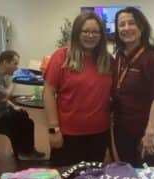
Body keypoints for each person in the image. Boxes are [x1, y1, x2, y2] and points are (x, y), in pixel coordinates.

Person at [43, 11, 113, 167]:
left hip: (99, 135)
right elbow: (48, 92)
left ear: (102, 35)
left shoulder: (108, 60)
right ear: (77, 33)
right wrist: (53, 129)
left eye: (95, 32)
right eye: (85, 31)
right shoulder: (61, 57)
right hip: (67, 135)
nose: (90, 35)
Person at [111, 7, 154, 166]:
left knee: (149, 176)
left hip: (147, 130)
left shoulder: (152, 58)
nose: (126, 28)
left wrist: (149, 134)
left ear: (141, 27)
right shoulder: (119, 56)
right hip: (123, 129)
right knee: (129, 173)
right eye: (122, 24)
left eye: (132, 23)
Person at [0, 50, 45, 161]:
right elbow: (6, 95)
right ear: (5, 62)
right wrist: (15, 79)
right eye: (15, 64)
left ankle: (23, 150)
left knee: (23, 114)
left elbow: (1, 98)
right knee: (27, 123)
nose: (16, 68)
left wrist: (13, 106)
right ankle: (27, 152)